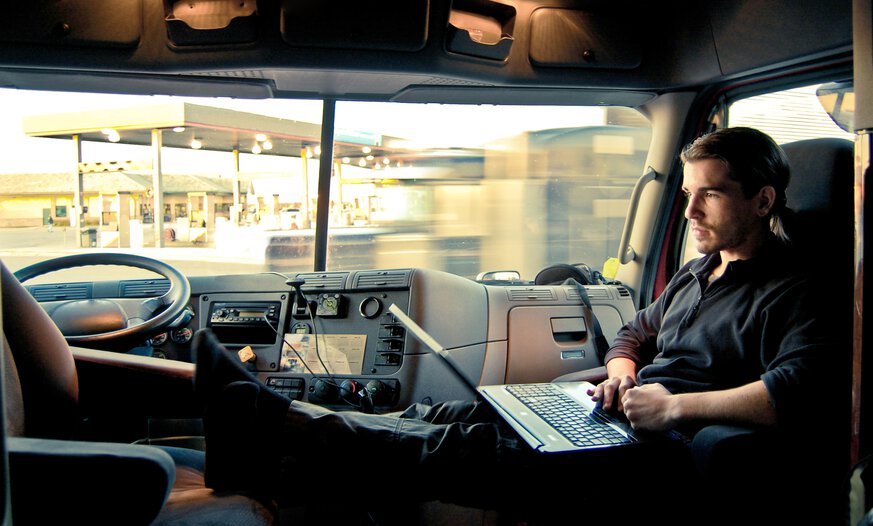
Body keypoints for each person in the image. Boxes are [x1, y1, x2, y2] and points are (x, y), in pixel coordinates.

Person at [193, 127, 848, 524]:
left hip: (659, 451)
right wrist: (621, 374)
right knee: (449, 417)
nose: (691, 210)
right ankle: (268, 433)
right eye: (686, 194)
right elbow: (632, 336)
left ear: (760, 200)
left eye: (708, 193)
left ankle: (272, 423)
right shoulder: (698, 271)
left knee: (457, 451)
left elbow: (793, 393)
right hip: (618, 416)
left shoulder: (798, 289)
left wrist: (673, 409)